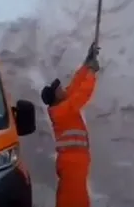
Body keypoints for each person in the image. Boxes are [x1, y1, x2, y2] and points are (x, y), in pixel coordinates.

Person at [41, 43, 100, 207]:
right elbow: (81, 95)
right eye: (58, 89)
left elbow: (74, 87)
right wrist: (92, 73)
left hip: (74, 161)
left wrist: (87, 63)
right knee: (73, 199)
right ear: (55, 97)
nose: (62, 88)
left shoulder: (62, 104)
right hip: (72, 162)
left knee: (76, 196)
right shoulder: (62, 111)